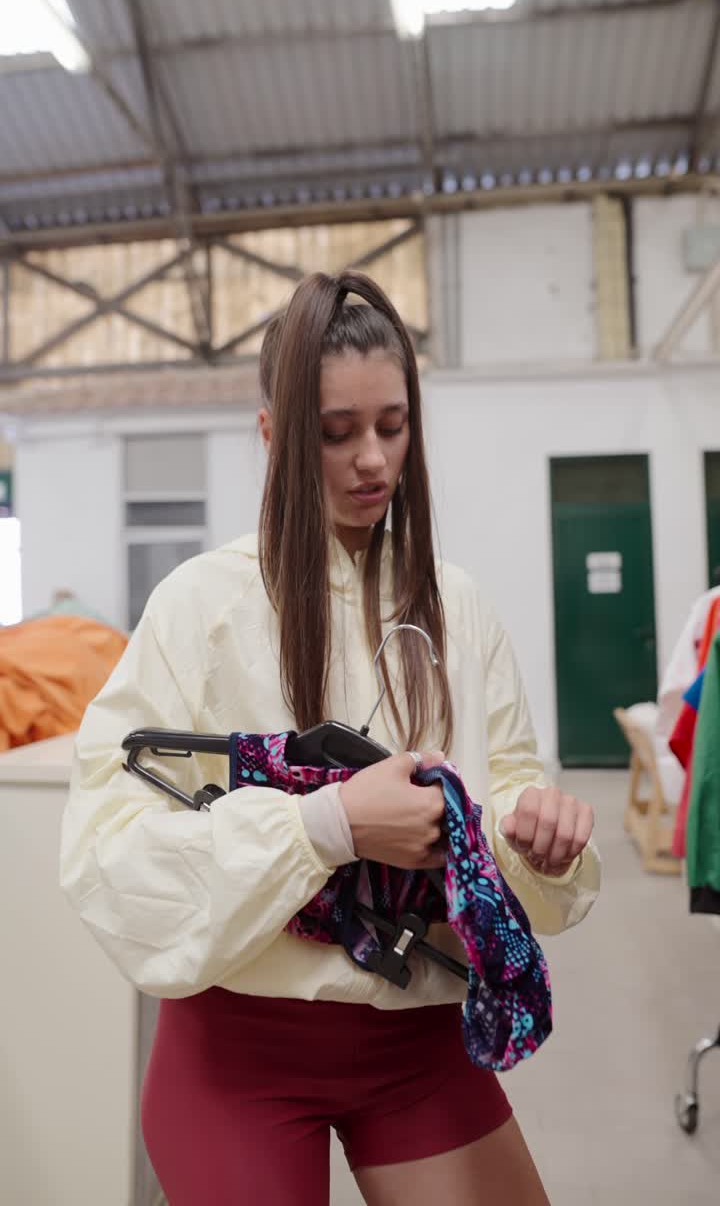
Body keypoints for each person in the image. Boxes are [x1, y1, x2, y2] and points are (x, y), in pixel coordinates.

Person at [60, 271, 601, 1206]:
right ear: (272, 435)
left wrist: (529, 831)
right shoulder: (200, 607)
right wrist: (327, 827)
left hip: (418, 1032)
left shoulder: (456, 604)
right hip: (242, 1046)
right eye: (335, 432)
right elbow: (107, 855)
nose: (371, 461)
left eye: (392, 426)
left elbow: (507, 779)